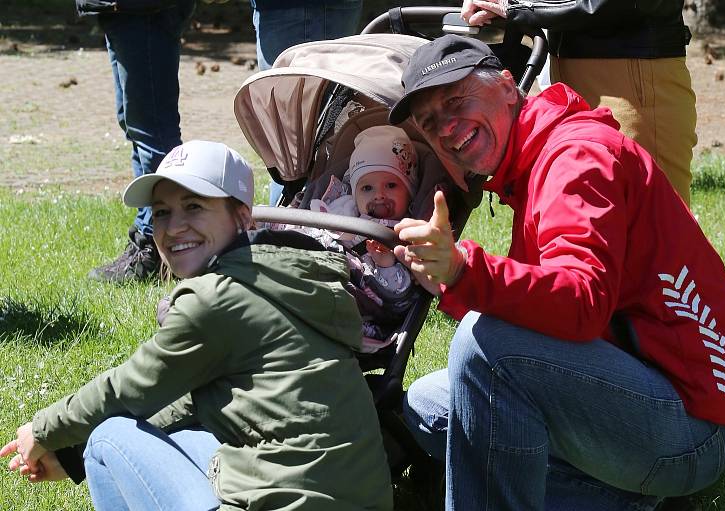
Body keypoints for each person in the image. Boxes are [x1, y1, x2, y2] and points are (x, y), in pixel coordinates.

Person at [387, 35, 725, 510]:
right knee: (429, 404)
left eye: (455, 101)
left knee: (484, 347)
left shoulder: (575, 158)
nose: (446, 128)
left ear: (506, 86)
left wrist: (463, 271)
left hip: (692, 429)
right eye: (430, 122)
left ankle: (629, 489)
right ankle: (617, 494)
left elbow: (582, 304)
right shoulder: (532, 159)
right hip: (641, 392)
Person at [2, 140, 393, 510]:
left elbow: (129, 389)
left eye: (193, 207)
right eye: (161, 213)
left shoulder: (215, 298)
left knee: (107, 437)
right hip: (361, 499)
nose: (173, 228)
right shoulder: (285, 276)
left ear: (242, 216)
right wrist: (69, 457)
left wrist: (43, 429)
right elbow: (188, 400)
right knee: (184, 435)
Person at [460, 0, 697, 206]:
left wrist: (521, 7)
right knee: (581, 211)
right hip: (571, 70)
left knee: (652, 218)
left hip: (632, 75)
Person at [270, 125, 421, 352]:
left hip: (350, 297)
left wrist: (387, 264)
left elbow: (401, 302)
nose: (379, 195)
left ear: (409, 192)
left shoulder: (405, 236)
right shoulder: (343, 210)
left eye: (391, 185)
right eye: (367, 188)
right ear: (355, 192)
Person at [77, 0, 195, 283]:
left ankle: (161, 247)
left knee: (152, 130)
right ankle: (150, 235)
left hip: (144, 9)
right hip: (124, 8)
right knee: (134, 124)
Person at [249, 0, 364, 206]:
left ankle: (291, 229)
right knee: (291, 146)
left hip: (303, 9)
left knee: (294, 152)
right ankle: (288, 225)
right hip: (290, 10)